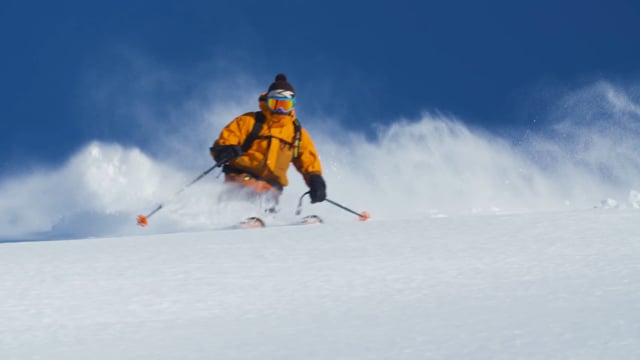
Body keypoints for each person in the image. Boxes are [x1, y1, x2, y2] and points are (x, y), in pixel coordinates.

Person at [210, 74, 327, 213]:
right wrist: (225, 150)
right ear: (267, 102)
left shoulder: (296, 133)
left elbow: (308, 160)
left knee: (268, 198)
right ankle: (228, 215)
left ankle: (266, 223)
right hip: (241, 175)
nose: (280, 110)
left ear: (292, 106)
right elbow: (226, 139)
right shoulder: (250, 121)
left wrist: (315, 180)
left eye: (285, 105)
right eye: (275, 103)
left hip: (271, 185)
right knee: (250, 190)